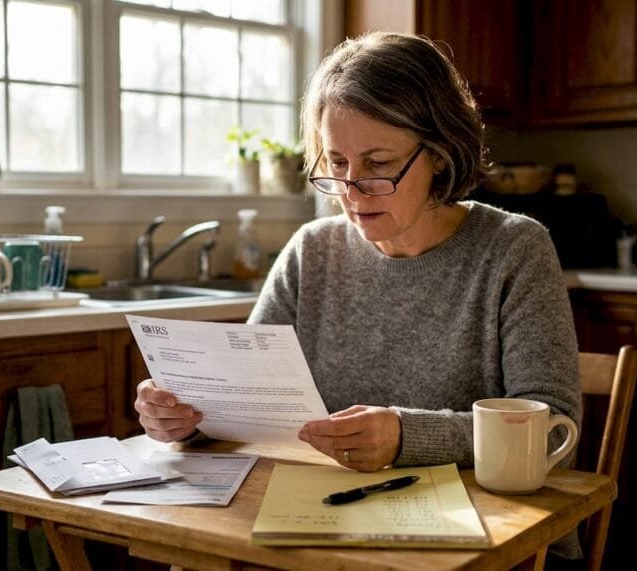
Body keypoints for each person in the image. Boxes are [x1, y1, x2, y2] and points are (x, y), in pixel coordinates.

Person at [133, 32, 583, 562]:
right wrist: (186, 416)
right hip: (324, 525)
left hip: (485, 541)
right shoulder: (312, 250)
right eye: (337, 162)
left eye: (376, 163)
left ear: (438, 154)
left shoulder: (514, 249)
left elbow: (554, 427)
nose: (350, 189)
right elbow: (242, 400)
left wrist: (405, 436)